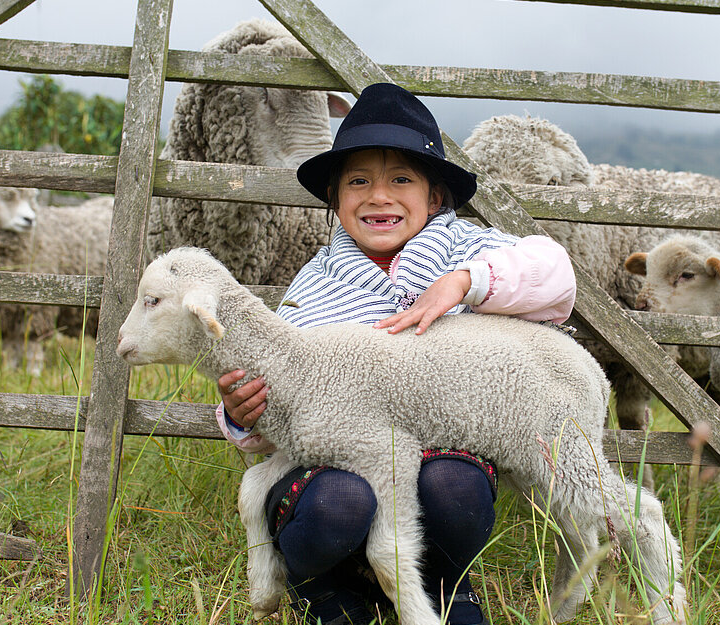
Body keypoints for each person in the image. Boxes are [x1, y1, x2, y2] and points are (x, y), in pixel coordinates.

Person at [214, 83, 576, 625]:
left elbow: (556, 276)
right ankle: (324, 584)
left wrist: (466, 283)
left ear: (435, 197)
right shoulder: (315, 285)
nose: (379, 196)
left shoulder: (467, 248)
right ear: (335, 199)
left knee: (454, 485)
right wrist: (242, 414)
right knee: (341, 499)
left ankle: (442, 580)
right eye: (358, 181)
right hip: (338, 466)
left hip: (436, 445)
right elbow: (277, 381)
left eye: (400, 179)